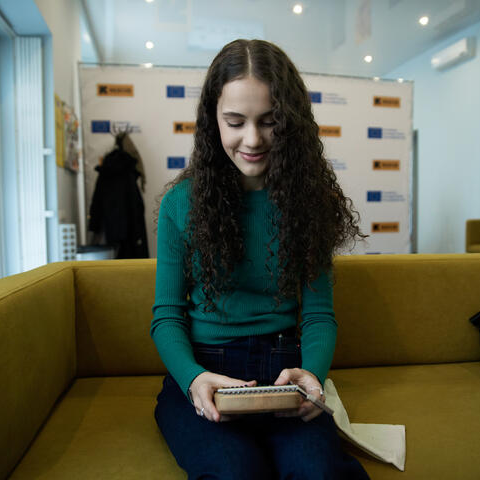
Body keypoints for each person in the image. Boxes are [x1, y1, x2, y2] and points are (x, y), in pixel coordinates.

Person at [150, 39, 370, 479]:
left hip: (284, 374)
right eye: (235, 121)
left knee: (319, 473)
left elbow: (319, 314)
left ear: (291, 124)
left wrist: (313, 374)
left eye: (270, 122)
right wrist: (193, 379)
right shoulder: (181, 204)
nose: (253, 139)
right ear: (213, 120)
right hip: (205, 371)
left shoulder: (310, 203)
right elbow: (167, 316)